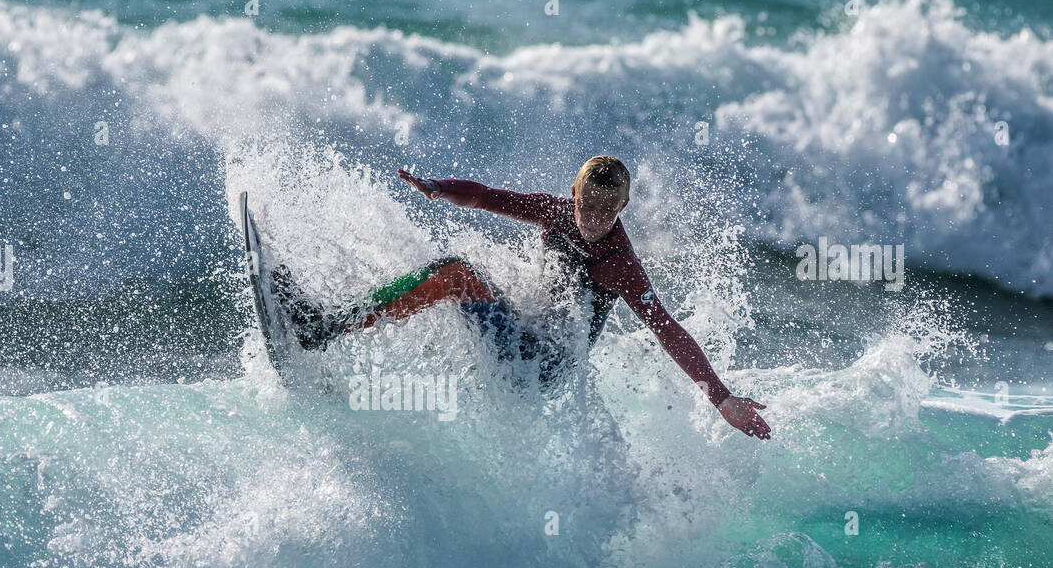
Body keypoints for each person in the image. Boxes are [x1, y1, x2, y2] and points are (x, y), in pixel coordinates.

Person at [269, 155, 770, 439]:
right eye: (586, 205)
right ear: (571, 194)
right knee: (453, 274)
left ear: (624, 206)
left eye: (607, 211)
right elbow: (487, 197)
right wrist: (437, 188)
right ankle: (345, 354)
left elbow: (666, 328)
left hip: (546, 365)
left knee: (458, 275)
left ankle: (323, 329)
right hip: (528, 337)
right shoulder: (554, 213)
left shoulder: (619, 263)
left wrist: (721, 396)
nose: (593, 219)